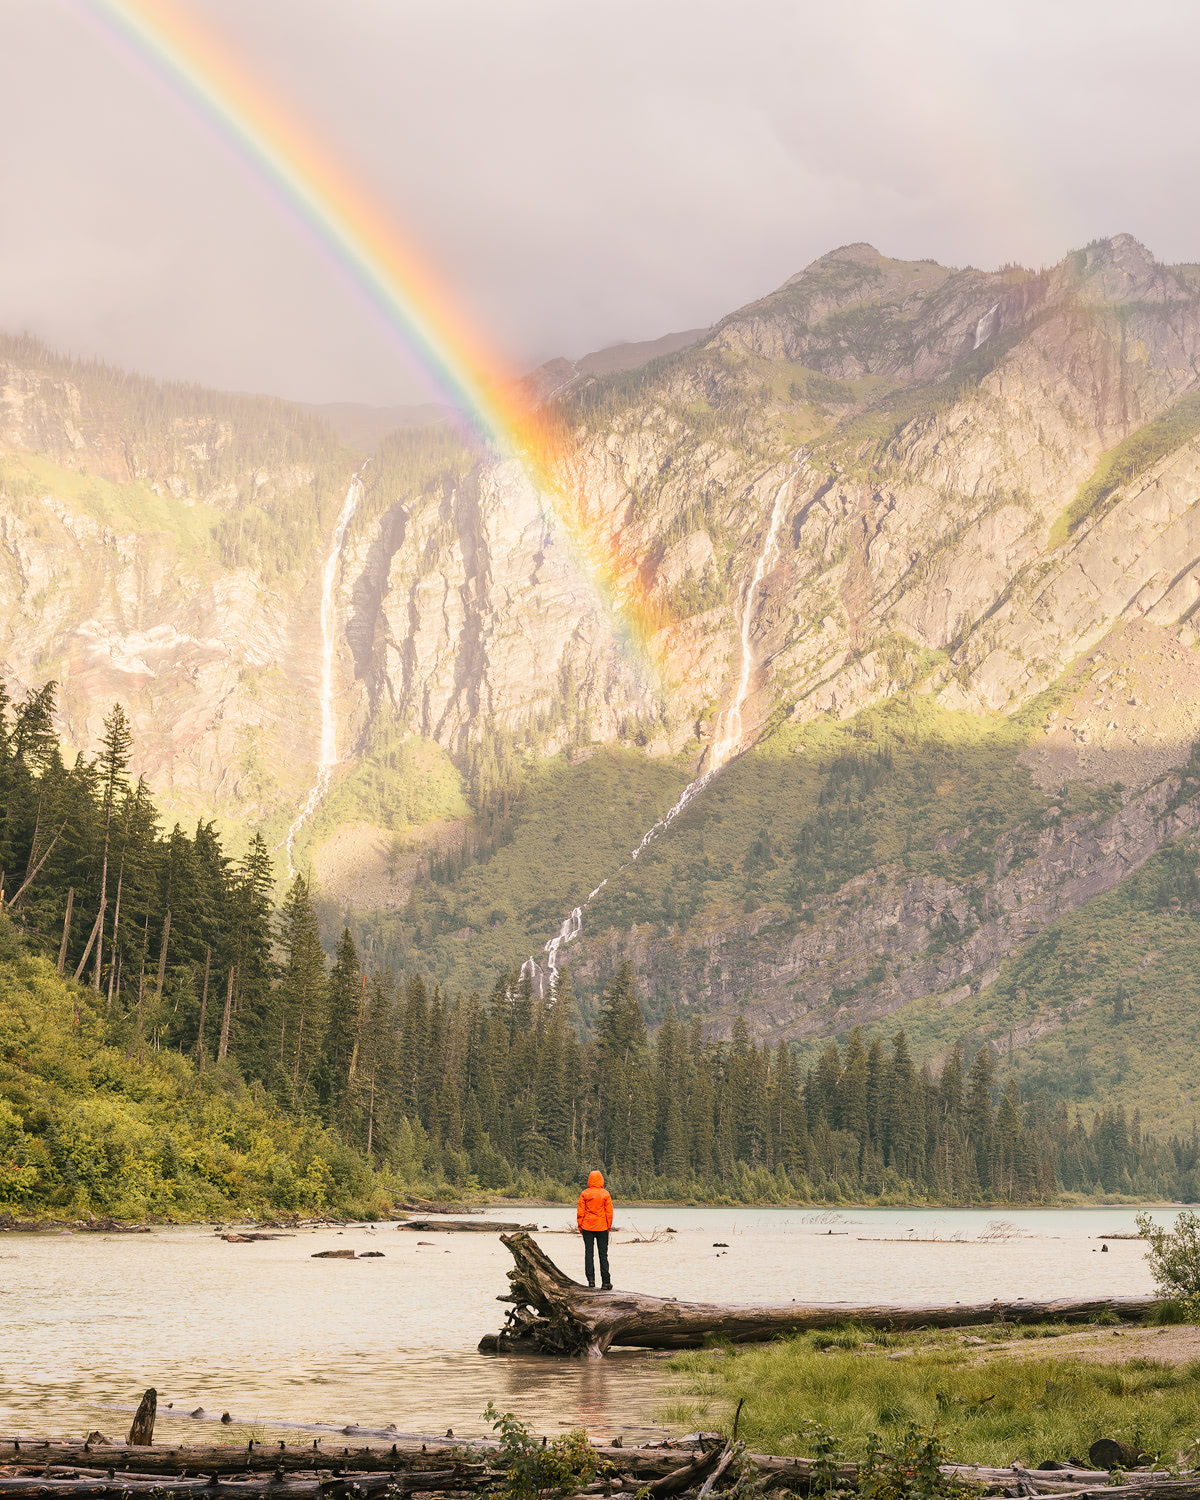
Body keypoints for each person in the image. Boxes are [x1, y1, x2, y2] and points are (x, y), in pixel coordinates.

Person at [576, 1168, 613, 1290]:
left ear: (589, 1180)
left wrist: (580, 1226)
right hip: (602, 1227)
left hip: (587, 1226)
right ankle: (606, 1282)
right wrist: (608, 1227)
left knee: (589, 1253)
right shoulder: (605, 1194)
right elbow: (609, 1213)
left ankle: (591, 1281)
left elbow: (580, 1212)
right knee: (603, 1254)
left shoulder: (584, 1193)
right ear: (601, 1180)